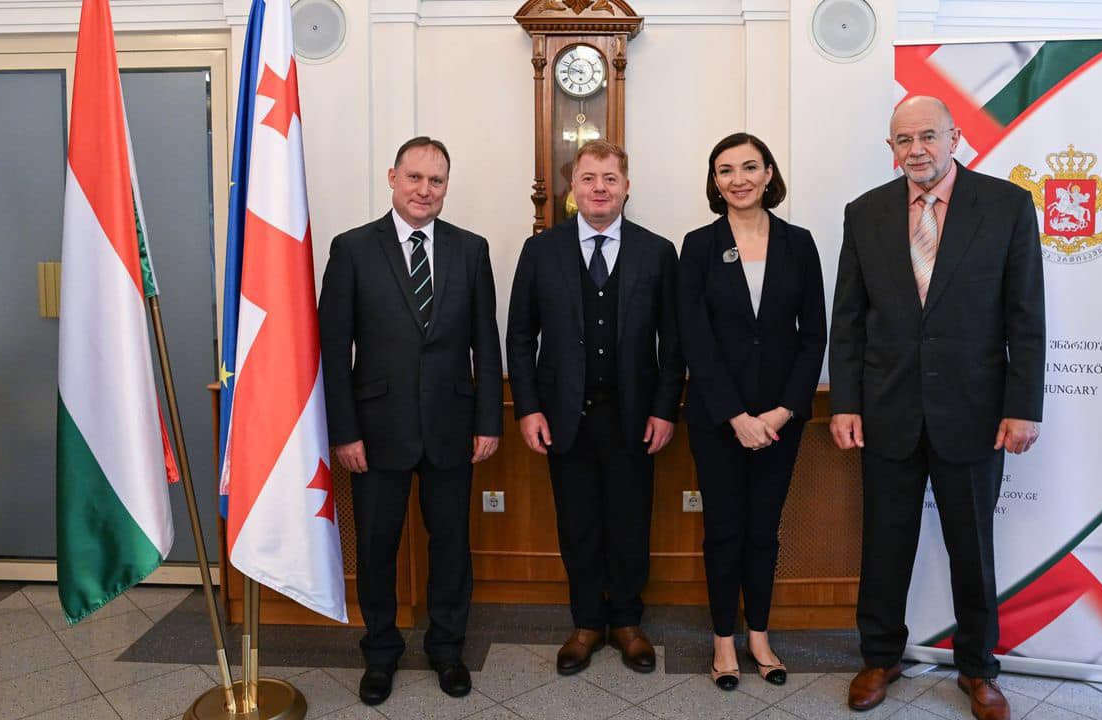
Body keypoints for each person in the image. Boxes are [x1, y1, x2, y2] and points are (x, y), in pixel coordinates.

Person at [829, 96, 1045, 720]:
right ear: (890, 149)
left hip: (975, 413)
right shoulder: (864, 213)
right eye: (903, 139)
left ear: (955, 138)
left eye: (928, 135)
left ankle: (978, 668)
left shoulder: (1006, 205)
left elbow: (1026, 315)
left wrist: (1023, 406)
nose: (916, 149)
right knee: (884, 546)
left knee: (972, 550)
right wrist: (845, 402)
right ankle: (880, 657)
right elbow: (849, 320)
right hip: (886, 411)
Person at [318, 137, 503, 704]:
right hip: (375, 432)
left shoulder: (471, 250)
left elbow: (485, 344)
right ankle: (380, 652)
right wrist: (344, 431)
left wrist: (489, 421)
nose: (425, 190)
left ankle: (447, 648)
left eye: (436, 180)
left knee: (451, 545)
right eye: (415, 177)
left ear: (447, 187)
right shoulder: (352, 248)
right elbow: (333, 350)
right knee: (377, 546)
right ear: (392, 177)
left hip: (452, 427)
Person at [506, 139, 684, 676]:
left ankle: (627, 621)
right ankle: (586, 622)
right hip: (565, 418)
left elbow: (674, 342)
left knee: (630, 523)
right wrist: (527, 409)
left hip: (635, 418)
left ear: (627, 187)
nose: (600, 188)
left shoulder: (658, 252)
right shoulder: (541, 251)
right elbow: (520, 336)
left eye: (610, 178)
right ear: (573, 187)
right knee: (577, 523)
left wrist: (665, 409)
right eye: (589, 178)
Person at [677, 133, 826, 691]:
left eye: (748, 167)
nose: (737, 179)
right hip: (718, 419)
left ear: (768, 174)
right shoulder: (698, 244)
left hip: (780, 420)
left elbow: (813, 335)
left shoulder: (799, 243)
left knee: (763, 531)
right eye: (725, 170)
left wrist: (783, 411)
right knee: (723, 530)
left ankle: (759, 637)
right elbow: (694, 336)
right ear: (714, 182)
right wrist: (736, 416)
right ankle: (723, 640)